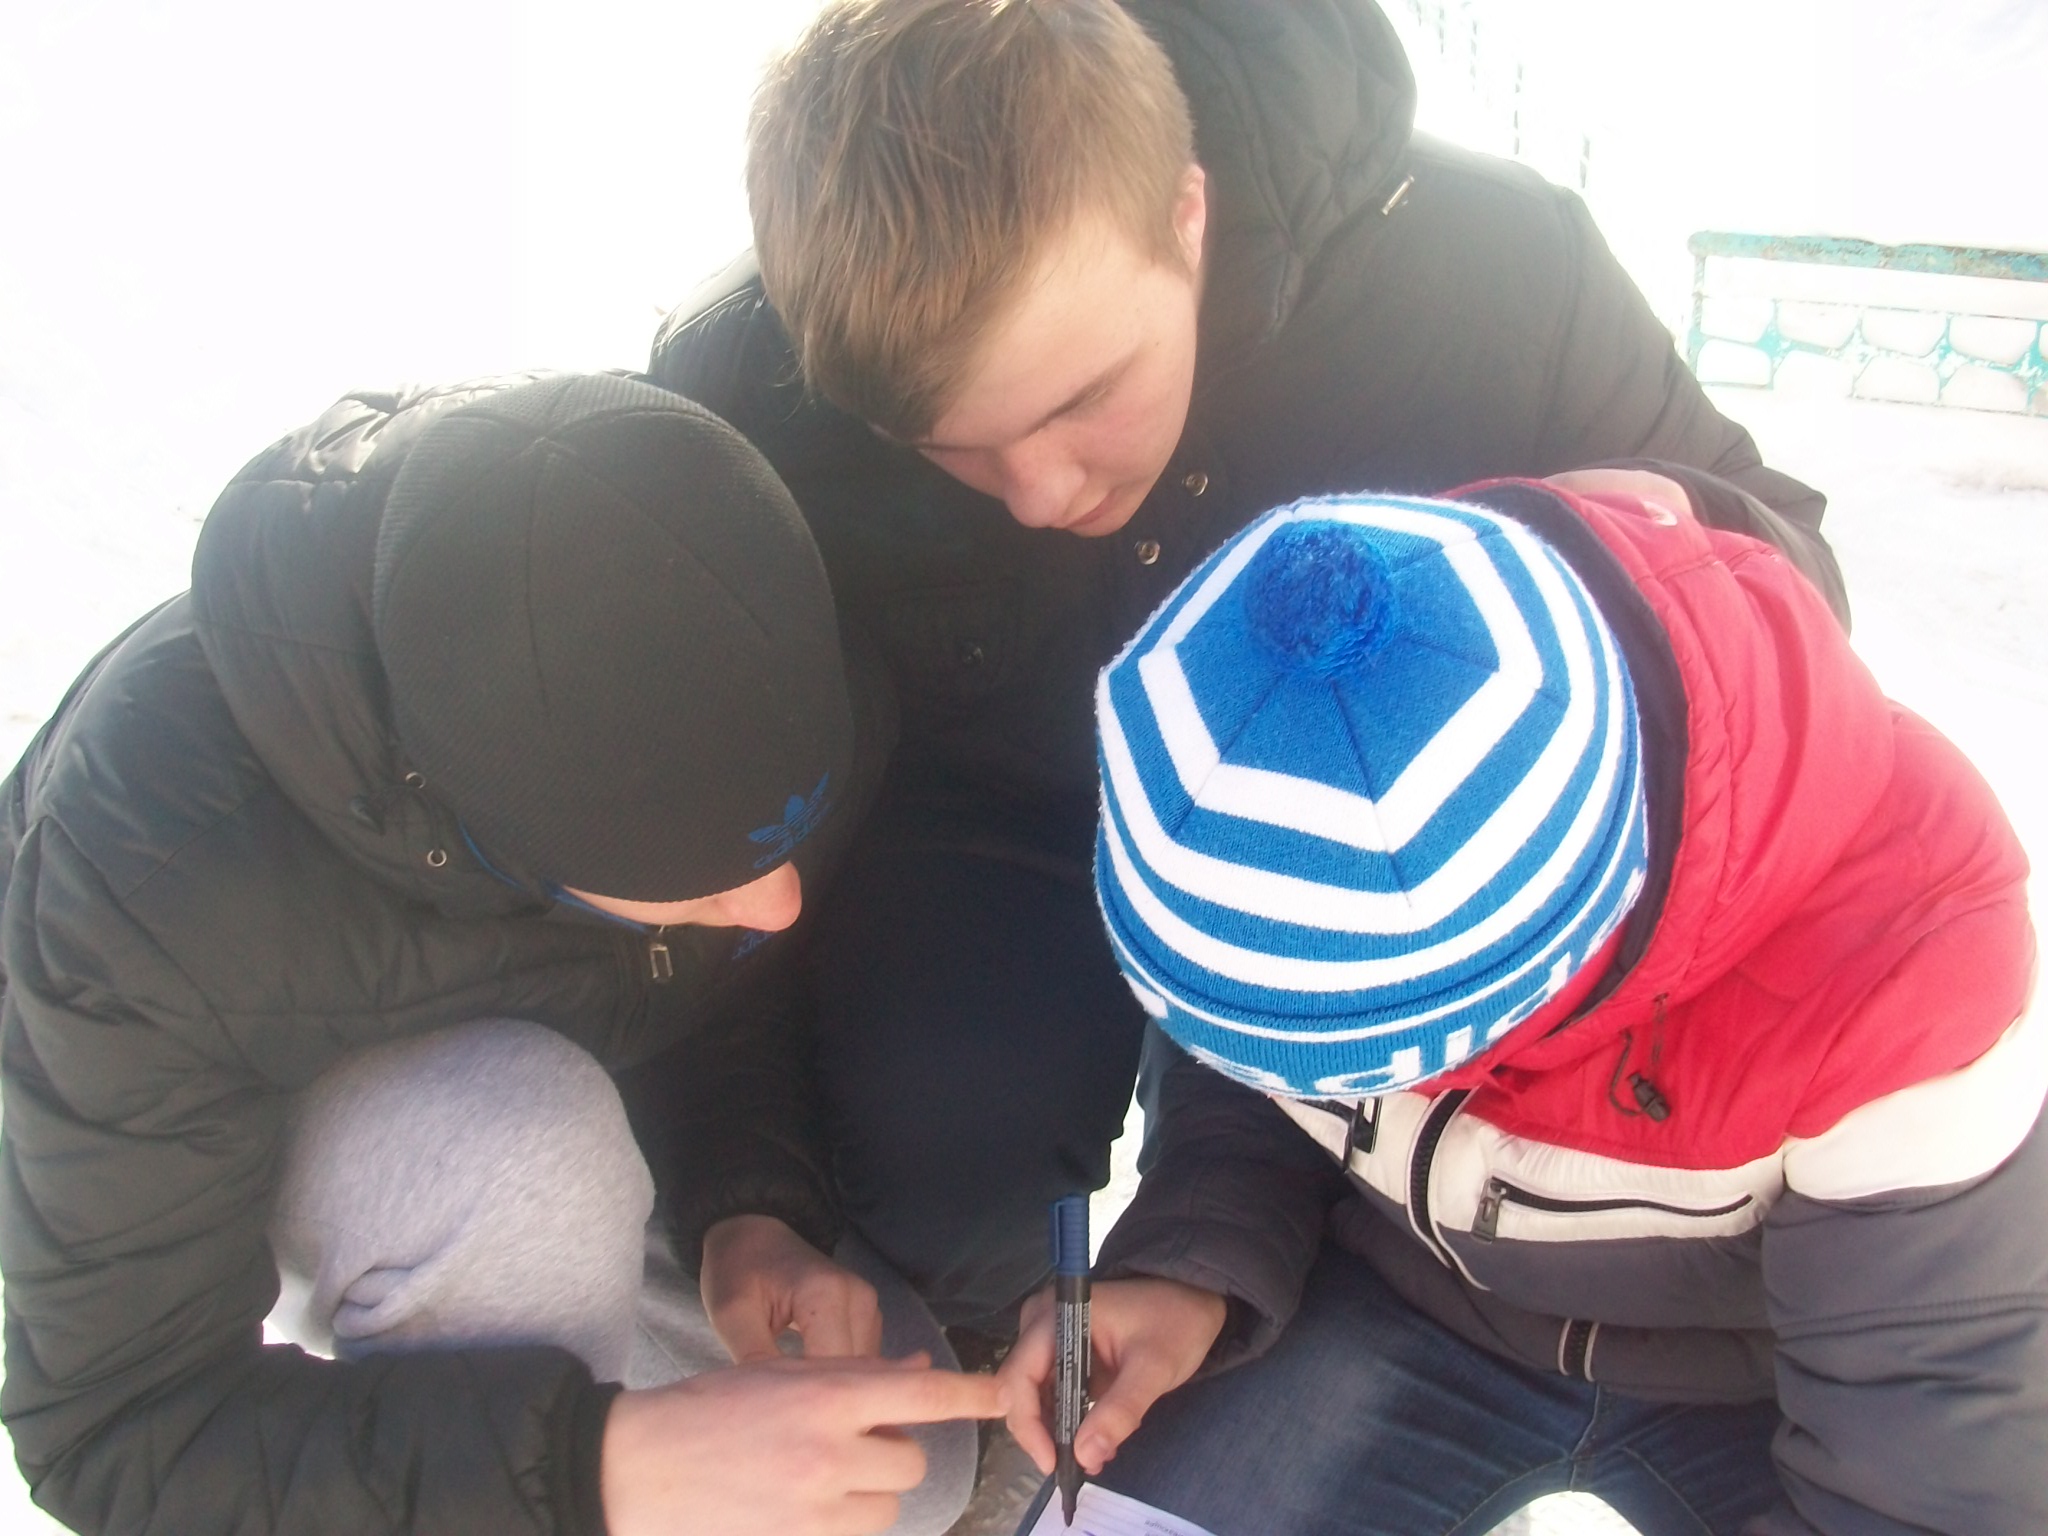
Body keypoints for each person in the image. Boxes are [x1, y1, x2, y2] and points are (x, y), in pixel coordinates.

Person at [643, 0, 1852, 1335]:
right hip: (996, 831)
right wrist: (744, 1186)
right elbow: (704, 833)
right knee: (928, 1185)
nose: (1040, 494)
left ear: (1188, 214)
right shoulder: (746, 388)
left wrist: (1606, 563)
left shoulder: (1491, 272)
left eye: (1082, 398)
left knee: (1363, 1253)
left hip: (1374, 853)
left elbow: (1783, 571)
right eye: (948, 448)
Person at [0, 374, 1002, 1536]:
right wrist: (592, 1471)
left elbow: (711, 974)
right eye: (702, 877)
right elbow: (120, 1426)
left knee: (911, 1473)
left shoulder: (694, 565)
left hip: (526, 1029)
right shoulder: (145, 889)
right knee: (523, 1163)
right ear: (515, 842)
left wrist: (748, 1210)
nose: (776, 906)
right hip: (221, 1091)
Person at [994, 472, 2045, 1534]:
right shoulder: (1308, 696)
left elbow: (1931, 1461)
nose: (1296, 1087)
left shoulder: (1913, 961)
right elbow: (1251, 1061)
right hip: (1398, 1293)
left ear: (1546, 973)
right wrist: (1191, 1263)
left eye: (1350, 1069)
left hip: (1775, 1378)